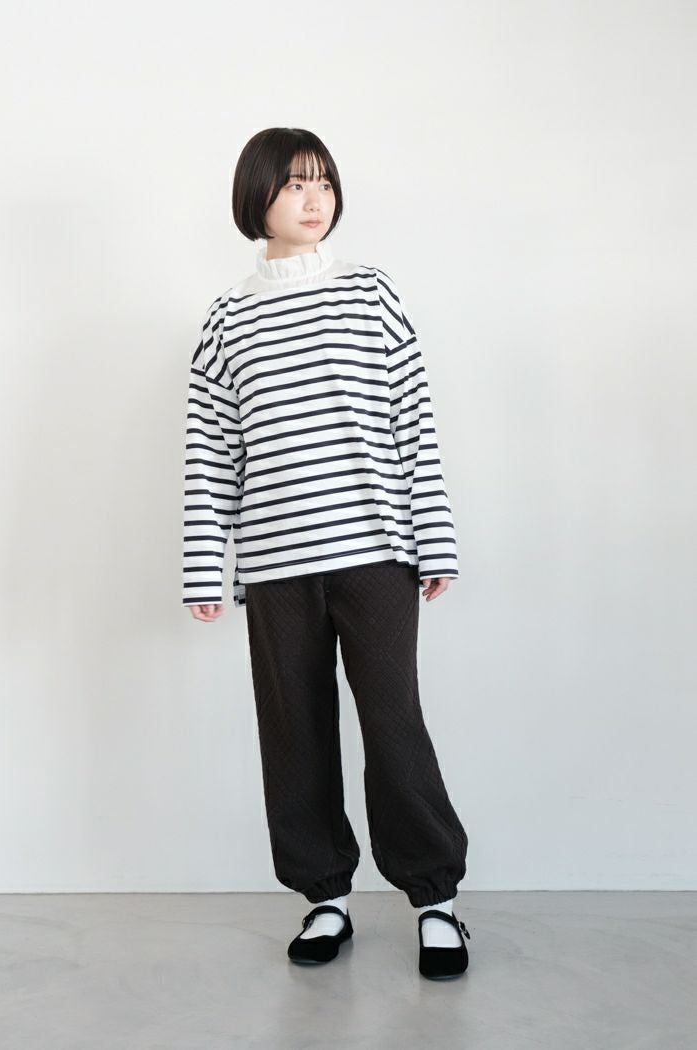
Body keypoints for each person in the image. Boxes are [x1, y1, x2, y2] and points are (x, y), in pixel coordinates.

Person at [182, 127, 471, 979]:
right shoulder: (227, 320)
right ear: (258, 197)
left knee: (392, 722)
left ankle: (435, 901)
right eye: (295, 185)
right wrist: (204, 565)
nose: (315, 201)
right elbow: (211, 453)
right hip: (275, 565)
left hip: (376, 552)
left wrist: (434, 539)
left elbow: (413, 423)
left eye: (325, 184)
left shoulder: (371, 294)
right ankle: (325, 898)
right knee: (295, 731)